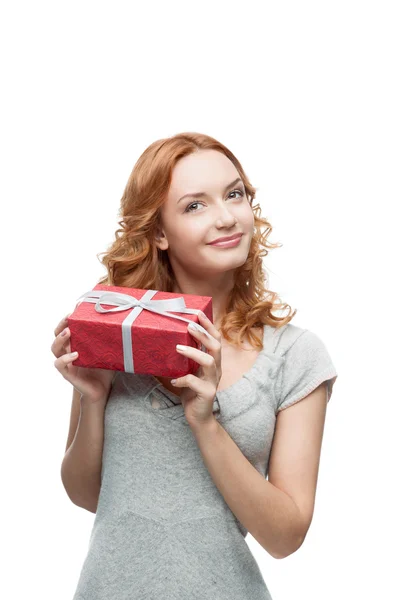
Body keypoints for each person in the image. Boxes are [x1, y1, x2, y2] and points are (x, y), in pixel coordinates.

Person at [53, 132, 338, 599]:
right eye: (194, 206)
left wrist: (205, 423)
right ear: (159, 233)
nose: (227, 218)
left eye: (234, 194)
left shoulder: (295, 356)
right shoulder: (117, 331)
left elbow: (285, 537)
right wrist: (93, 397)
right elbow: (87, 495)